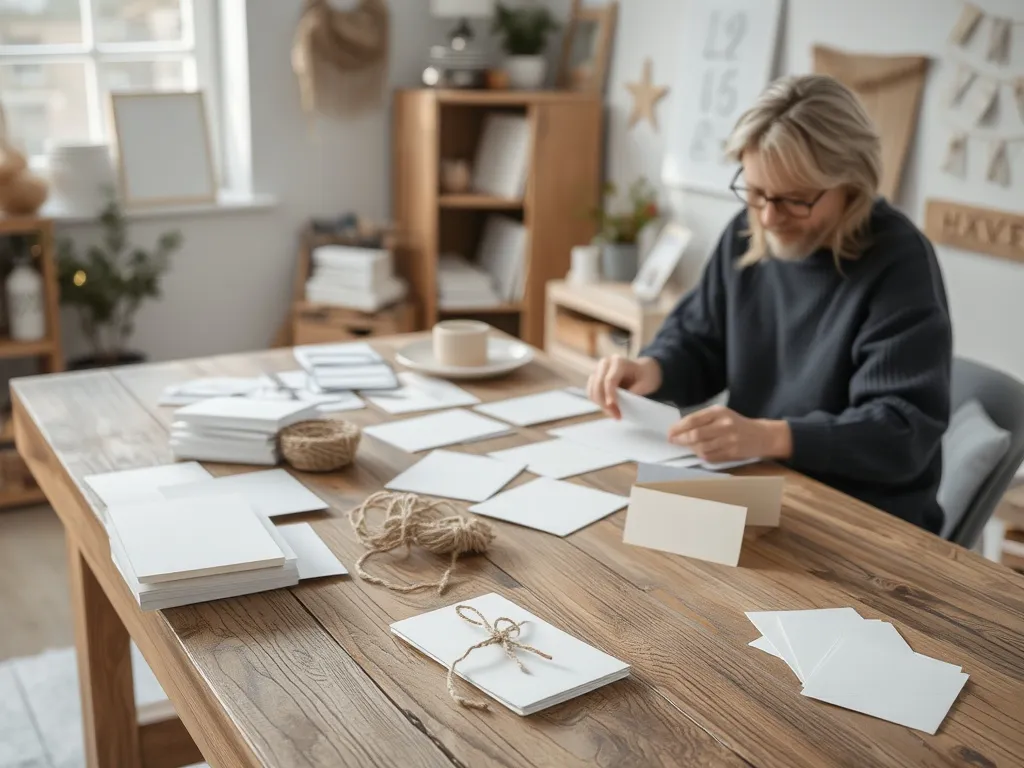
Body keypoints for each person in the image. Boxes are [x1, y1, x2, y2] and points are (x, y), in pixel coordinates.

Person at [587, 74, 952, 534]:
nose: (769, 217)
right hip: (761, 485)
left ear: (852, 184)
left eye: (795, 200)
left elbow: (900, 433)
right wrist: (651, 370)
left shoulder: (899, 261)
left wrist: (770, 435)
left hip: (866, 517)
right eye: (756, 192)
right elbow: (700, 341)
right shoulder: (748, 232)